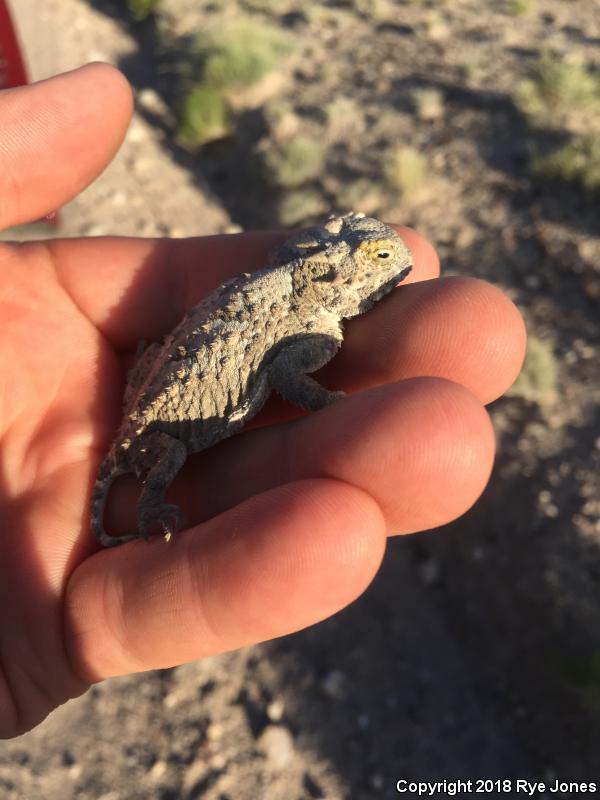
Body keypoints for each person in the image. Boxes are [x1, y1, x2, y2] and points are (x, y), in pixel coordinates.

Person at [0, 63, 526, 739]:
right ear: (332, 273)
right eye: (366, 258)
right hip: (165, 428)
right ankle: (148, 492)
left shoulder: (302, 304)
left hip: (162, 379)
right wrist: (324, 403)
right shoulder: (309, 332)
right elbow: (283, 376)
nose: (381, 261)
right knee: (166, 454)